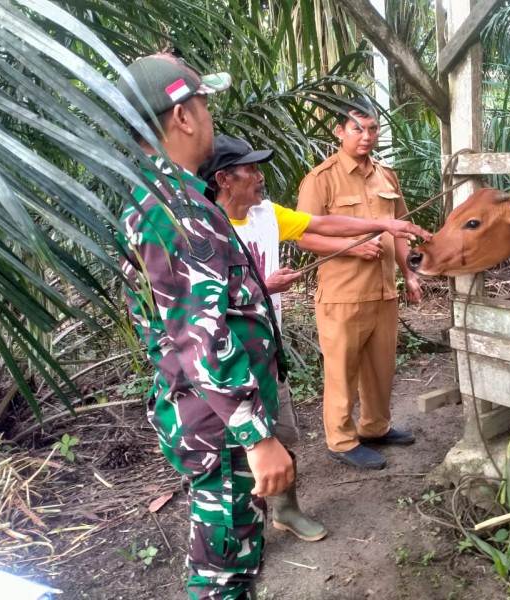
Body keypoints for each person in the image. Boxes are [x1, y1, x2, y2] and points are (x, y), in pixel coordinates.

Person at [115, 53, 292, 600]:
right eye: (204, 104)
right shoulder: (174, 211)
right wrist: (258, 437)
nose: (210, 117)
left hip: (210, 419)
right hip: (221, 429)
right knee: (220, 574)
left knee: (234, 552)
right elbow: (202, 336)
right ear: (182, 117)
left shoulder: (167, 195)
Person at [197, 135, 431, 542]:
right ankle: (231, 534)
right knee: (228, 446)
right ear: (223, 179)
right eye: (250, 169)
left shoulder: (265, 214)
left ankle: (286, 510)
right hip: (221, 355)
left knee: (281, 433)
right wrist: (259, 286)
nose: (259, 175)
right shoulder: (200, 228)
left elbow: (321, 223)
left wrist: (383, 223)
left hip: (266, 346)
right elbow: (190, 306)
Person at [296, 98, 423, 470]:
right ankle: (341, 440)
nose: (366, 137)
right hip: (343, 295)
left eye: (372, 129)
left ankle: (375, 428)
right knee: (342, 370)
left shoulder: (387, 176)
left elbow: (400, 231)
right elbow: (303, 236)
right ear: (339, 131)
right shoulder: (321, 179)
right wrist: (349, 250)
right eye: (357, 129)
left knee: (381, 368)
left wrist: (409, 273)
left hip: (383, 292)